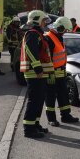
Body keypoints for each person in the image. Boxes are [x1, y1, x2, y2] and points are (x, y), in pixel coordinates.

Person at [20, 10, 54, 138]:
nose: (45, 23)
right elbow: (30, 51)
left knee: (39, 101)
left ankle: (35, 124)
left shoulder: (39, 34)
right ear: (37, 20)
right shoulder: (32, 34)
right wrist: (38, 69)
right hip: (35, 74)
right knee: (34, 101)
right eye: (43, 20)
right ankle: (28, 129)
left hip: (40, 74)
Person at [45, 17, 79, 126]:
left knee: (63, 96)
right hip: (52, 74)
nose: (65, 33)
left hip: (61, 72)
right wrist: (50, 74)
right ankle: (51, 119)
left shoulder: (59, 37)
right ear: (60, 27)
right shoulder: (49, 38)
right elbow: (47, 59)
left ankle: (66, 116)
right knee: (50, 97)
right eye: (65, 30)